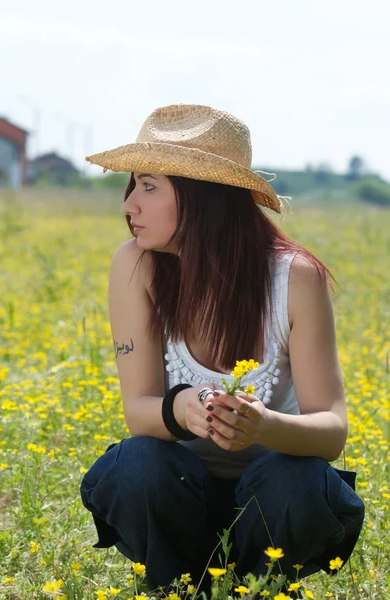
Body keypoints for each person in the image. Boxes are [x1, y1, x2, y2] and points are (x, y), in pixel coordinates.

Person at [80, 104, 365, 594]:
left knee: (293, 480)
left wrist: (264, 426)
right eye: (133, 186)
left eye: (149, 186)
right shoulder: (135, 266)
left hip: (271, 505)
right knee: (139, 462)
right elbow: (139, 412)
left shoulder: (294, 278)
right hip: (177, 496)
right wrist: (182, 407)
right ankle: (176, 589)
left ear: (204, 196)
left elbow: (331, 430)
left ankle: (252, 590)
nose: (129, 204)